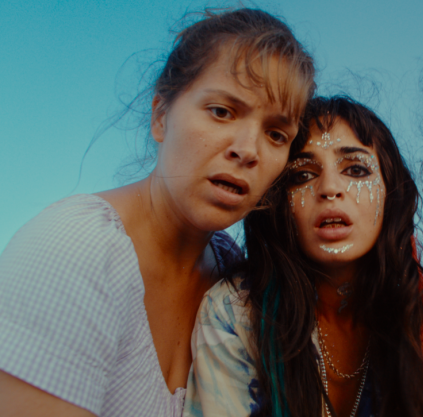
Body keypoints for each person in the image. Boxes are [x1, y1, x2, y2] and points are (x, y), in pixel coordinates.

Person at [0, 8, 315, 417]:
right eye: (221, 111)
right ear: (161, 116)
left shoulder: (232, 277)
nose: (247, 150)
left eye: (276, 134)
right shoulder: (73, 250)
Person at [183, 96, 423, 417]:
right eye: (302, 175)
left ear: (391, 193)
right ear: (278, 202)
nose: (330, 188)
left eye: (356, 169)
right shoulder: (235, 312)